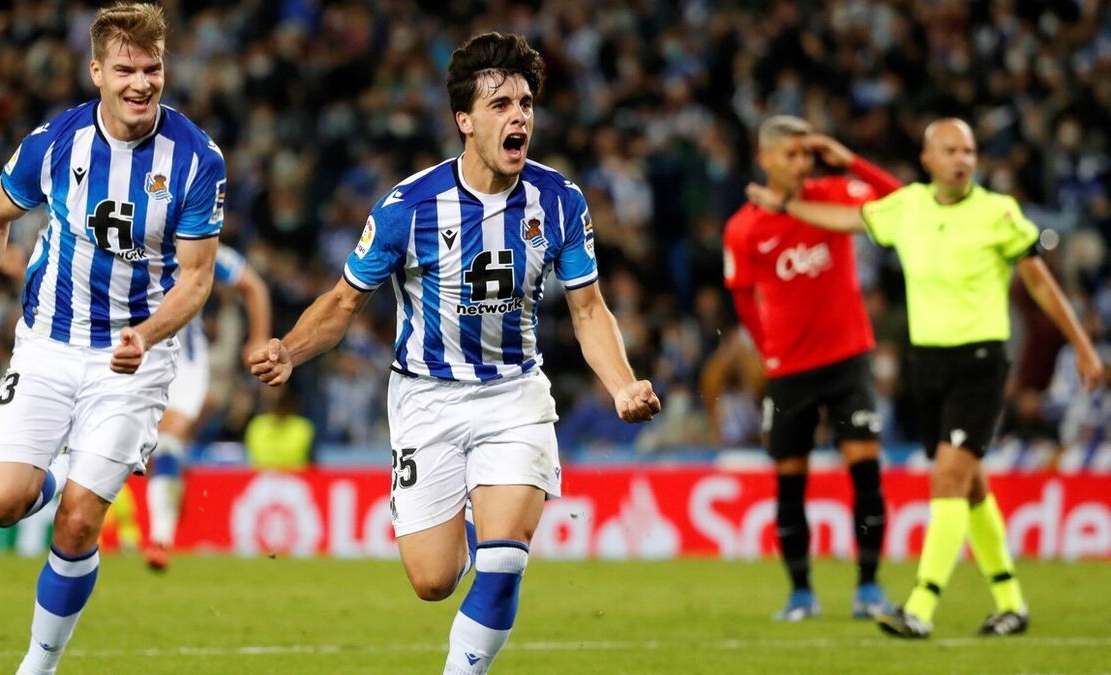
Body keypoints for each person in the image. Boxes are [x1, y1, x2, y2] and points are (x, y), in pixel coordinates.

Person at [250, 32, 661, 674]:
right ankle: (467, 517)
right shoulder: (408, 207)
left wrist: (622, 384)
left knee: (504, 558)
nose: (519, 115)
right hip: (425, 397)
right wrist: (290, 351)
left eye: (525, 103)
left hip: (513, 394)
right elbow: (342, 303)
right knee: (433, 580)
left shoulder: (560, 201)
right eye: (500, 105)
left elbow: (588, 309)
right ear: (464, 121)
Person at [746, 118, 1104, 638]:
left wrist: (1083, 345)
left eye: (970, 150)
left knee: (948, 478)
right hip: (929, 365)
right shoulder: (909, 208)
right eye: (951, 150)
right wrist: (784, 207)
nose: (962, 159)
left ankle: (920, 605)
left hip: (981, 362)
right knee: (970, 482)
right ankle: (1010, 601)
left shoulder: (997, 213)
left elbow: (1041, 284)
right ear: (928, 160)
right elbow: (845, 219)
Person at [0, 4, 223, 672]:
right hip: (46, 345)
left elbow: (197, 279)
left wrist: (147, 333)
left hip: (135, 362)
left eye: (152, 68)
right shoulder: (56, 142)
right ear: (95, 70)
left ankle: (36, 666)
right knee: (1, 501)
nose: (141, 83)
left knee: (76, 521)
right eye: (125, 68)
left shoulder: (196, 159)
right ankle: (72, 472)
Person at [725, 115, 902, 622]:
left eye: (807, 154)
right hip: (791, 370)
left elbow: (900, 204)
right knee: (790, 480)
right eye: (791, 154)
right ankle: (800, 593)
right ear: (766, 158)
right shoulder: (744, 227)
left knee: (866, 472)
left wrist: (850, 159)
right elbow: (742, 298)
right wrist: (769, 351)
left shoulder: (832, 194)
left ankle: (868, 588)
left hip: (849, 358)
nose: (802, 163)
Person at [143, 244, 271, 571]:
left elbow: (253, 286)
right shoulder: (125, 232)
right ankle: (167, 499)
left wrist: (258, 338)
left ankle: (160, 538)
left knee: (167, 441)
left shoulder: (198, 242)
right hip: (126, 360)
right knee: (146, 451)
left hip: (183, 364)